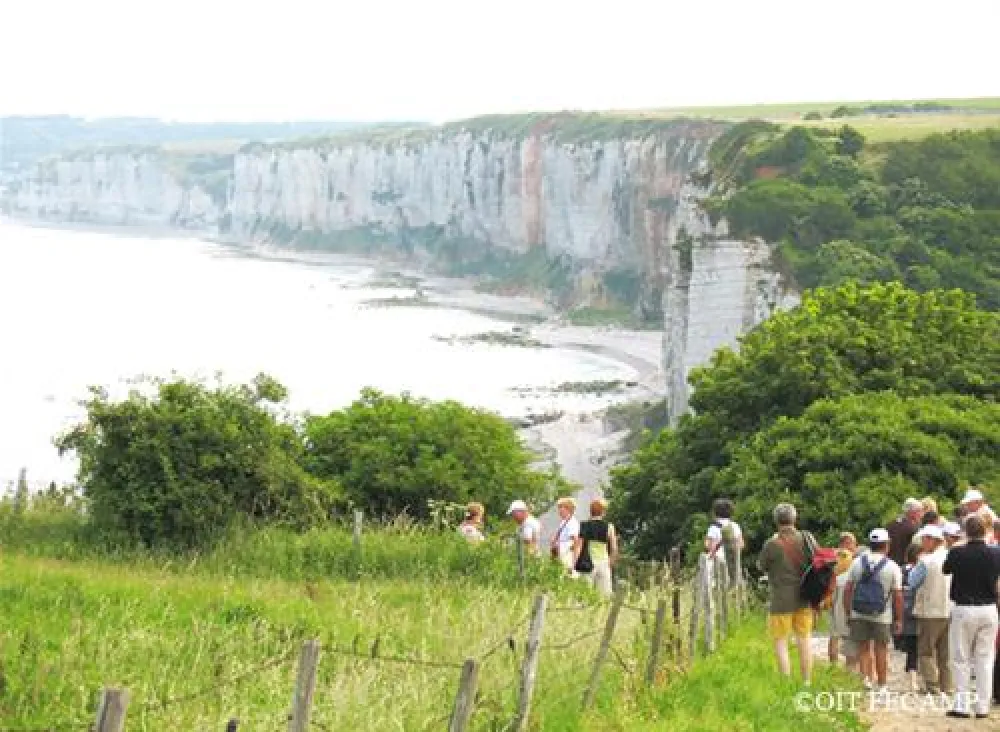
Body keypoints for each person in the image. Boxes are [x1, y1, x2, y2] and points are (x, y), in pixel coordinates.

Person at [942, 514, 1000, 720]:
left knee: (961, 658)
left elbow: (945, 569)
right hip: (988, 608)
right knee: (985, 659)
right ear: (986, 530)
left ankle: (962, 705)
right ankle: (982, 707)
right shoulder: (995, 553)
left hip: (964, 608)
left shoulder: (957, 552)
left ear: (966, 531)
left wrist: (959, 542)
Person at [757, 502, 813, 684]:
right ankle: (806, 682)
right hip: (804, 597)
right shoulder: (806, 539)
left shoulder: (772, 544)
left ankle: (786, 683)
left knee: (781, 641)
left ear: (776, 521)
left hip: (781, 600)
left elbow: (761, 566)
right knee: (804, 640)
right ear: (794, 519)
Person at [843, 528, 903, 693]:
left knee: (863, 647)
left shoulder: (857, 562)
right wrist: (899, 619)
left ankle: (866, 679)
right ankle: (882, 684)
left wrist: (848, 612)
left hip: (859, 612)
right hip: (882, 614)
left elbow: (848, 589)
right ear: (887, 545)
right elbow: (898, 595)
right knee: (881, 649)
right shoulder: (892, 566)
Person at [909, 524, 952, 695]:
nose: (922, 543)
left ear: (932, 540)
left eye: (924, 539)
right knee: (945, 653)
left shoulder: (926, 561)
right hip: (949, 610)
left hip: (929, 611)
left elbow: (912, 582)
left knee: (926, 651)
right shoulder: (951, 556)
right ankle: (947, 686)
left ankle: (932, 685)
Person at [573, 497, 618, 597]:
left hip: (587, 563)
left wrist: (574, 564)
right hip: (603, 563)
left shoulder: (584, 525)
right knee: (604, 595)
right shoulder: (609, 527)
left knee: (585, 595)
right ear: (603, 512)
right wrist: (610, 564)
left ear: (591, 511)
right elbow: (614, 549)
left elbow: (578, 547)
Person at [827, 532, 858, 666]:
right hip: (841, 591)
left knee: (834, 633)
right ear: (845, 543)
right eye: (852, 543)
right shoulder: (845, 555)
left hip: (830, 594)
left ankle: (833, 664)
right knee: (845, 632)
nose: (854, 546)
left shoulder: (832, 555)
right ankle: (849, 665)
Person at [894, 544, 921, 691]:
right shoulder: (920, 570)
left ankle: (910, 675)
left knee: (911, 646)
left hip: (904, 611)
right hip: (918, 611)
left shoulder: (901, 569)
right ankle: (914, 677)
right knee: (916, 646)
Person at [704, 498, 745, 587]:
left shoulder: (713, 527)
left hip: (718, 561)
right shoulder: (735, 526)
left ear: (715, 512)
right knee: (734, 586)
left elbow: (708, 545)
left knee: (718, 587)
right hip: (733, 561)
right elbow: (741, 544)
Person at [888, 498, 924, 567]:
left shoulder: (890, 524)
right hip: (904, 566)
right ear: (912, 512)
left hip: (889, 564)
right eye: (919, 511)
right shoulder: (913, 529)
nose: (921, 515)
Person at [550, 497, 581, 574]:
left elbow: (576, 542)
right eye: (559, 507)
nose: (559, 510)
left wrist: (574, 563)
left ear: (568, 509)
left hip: (568, 557)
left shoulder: (572, 523)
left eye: (561, 507)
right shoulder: (564, 522)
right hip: (561, 556)